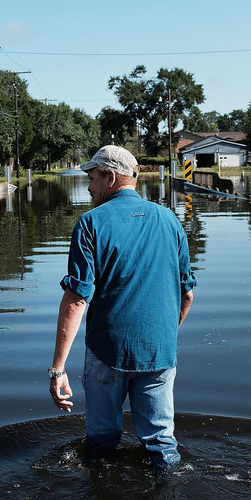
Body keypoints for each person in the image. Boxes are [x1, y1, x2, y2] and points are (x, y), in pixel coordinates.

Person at [48, 145, 196, 466]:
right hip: (159, 351)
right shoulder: (170, 220)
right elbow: (187, 294)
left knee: (101, 443)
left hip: (107, 352)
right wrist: (163, 336)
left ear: (110, 177)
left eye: (91, 178)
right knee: (161, 443)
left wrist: (57, 370)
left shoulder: (90, 223)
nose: (88, 187)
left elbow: (76, 300)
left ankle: (102, 489)